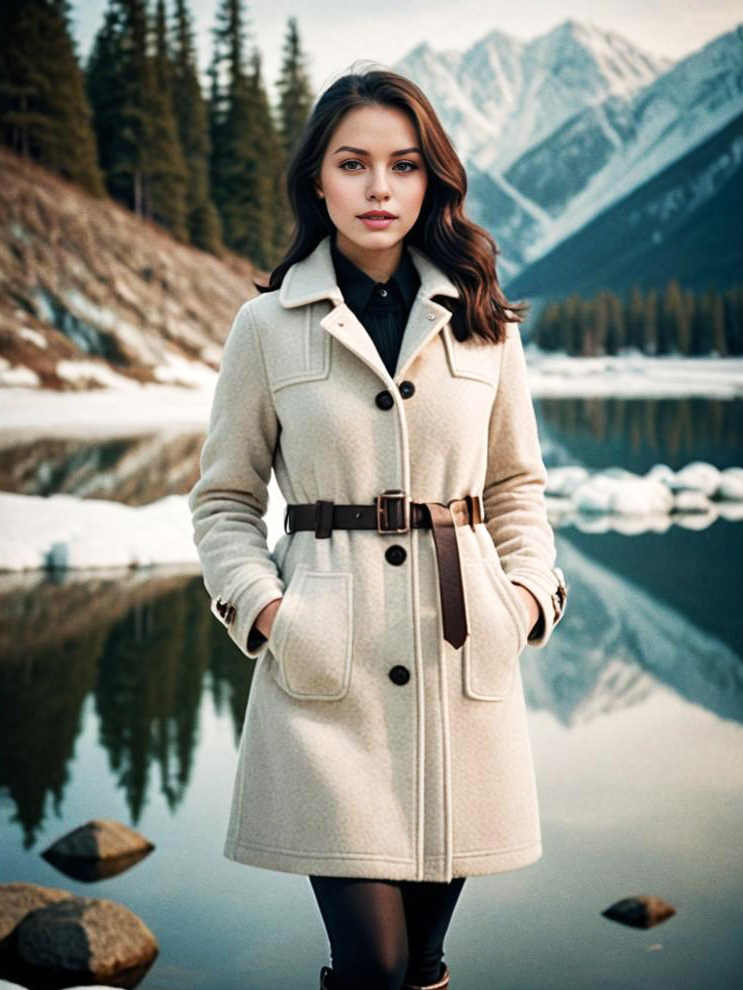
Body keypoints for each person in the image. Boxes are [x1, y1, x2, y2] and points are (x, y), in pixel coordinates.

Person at [188, 63, 568, 990]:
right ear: (317, 177)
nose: (378, 188)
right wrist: (272, 614)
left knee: (425, 963)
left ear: (430, 180)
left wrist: (517, 603)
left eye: (402, 166)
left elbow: (518, 487)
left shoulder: (484, 323)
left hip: (459, 668)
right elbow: (223, 501)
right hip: (330, 676)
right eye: (352, 164)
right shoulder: (266, 326)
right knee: (371, 963)